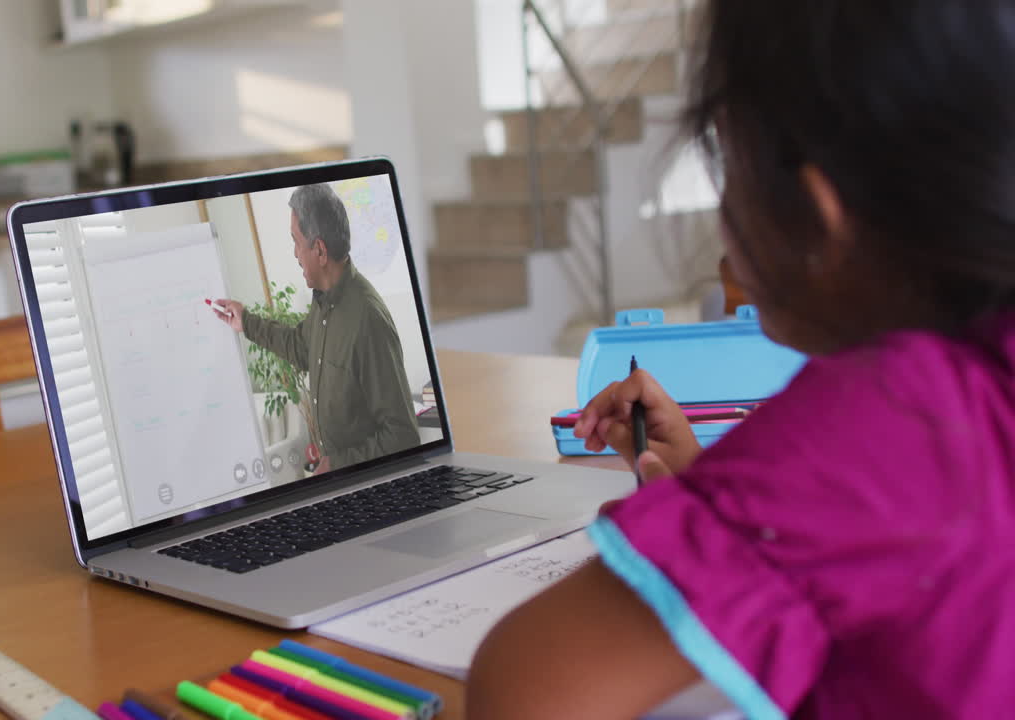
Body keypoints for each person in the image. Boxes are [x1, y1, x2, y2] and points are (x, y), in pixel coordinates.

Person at [468, 0, 1015, 717]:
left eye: (726, 159)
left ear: (821, 217)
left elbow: (522, 693)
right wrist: (713, 498)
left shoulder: (889, 418)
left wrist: (729, 515)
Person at [213, 184, 420, 473]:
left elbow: (403, 437)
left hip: (367, 487)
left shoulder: (368, 320)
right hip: (340, 484)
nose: (295, 253)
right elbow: (299, 347)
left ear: (320, 250)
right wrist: (245, 321)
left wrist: (337, 465)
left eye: (296, 241)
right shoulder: (323, 302)